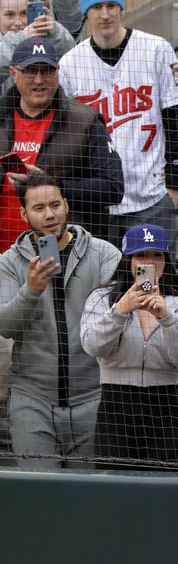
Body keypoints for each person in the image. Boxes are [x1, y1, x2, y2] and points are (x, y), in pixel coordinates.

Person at [58, 0, 178, 246]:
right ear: (86, 12)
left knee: (154, 282)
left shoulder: (156, 49)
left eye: (111, 5)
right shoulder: (70, 64)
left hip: (151, 197)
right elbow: (65, 133)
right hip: (98, 204)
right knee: (100, 285)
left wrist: (173, 185)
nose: (105, 14)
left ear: (121, 8)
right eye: (97, 7)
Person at [0, 174, 119, 467]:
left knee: (88, 498)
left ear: (66, 205)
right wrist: (31, 291)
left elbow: (115, 324)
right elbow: (5, 327)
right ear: (23, 214)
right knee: (38, 492)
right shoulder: (8, 262)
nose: (49, 214)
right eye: (39, 208)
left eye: (55, 204)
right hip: (32, 398)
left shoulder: (105, 254)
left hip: (92, 396)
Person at [80, 223, 178, 467]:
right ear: (128, 260)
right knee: (115, 486)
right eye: (141, 255)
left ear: (166, 261)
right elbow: (92, 345)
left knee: (167, 487)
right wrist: (121, 310)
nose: (149, 263)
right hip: (117, 404)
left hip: (170, 407)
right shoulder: (102, 298)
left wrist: (168, 318)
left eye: (157, 255)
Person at [0, 36, 123, 249]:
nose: (39, 80)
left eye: (46, 71)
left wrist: (52, 184)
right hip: (4, 255)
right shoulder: (2, 117)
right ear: (13, 74)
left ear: (57, 73)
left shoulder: (85, 120)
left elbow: (112, 188)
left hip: (63, 252)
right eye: (30, 71)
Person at [0, 0, 74, 67]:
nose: (18, 23)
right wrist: (19, 40)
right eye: (10, 14)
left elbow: (73, 59)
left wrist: (56, 34)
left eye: (24, 13)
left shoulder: (40, 36)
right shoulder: (22, 37)